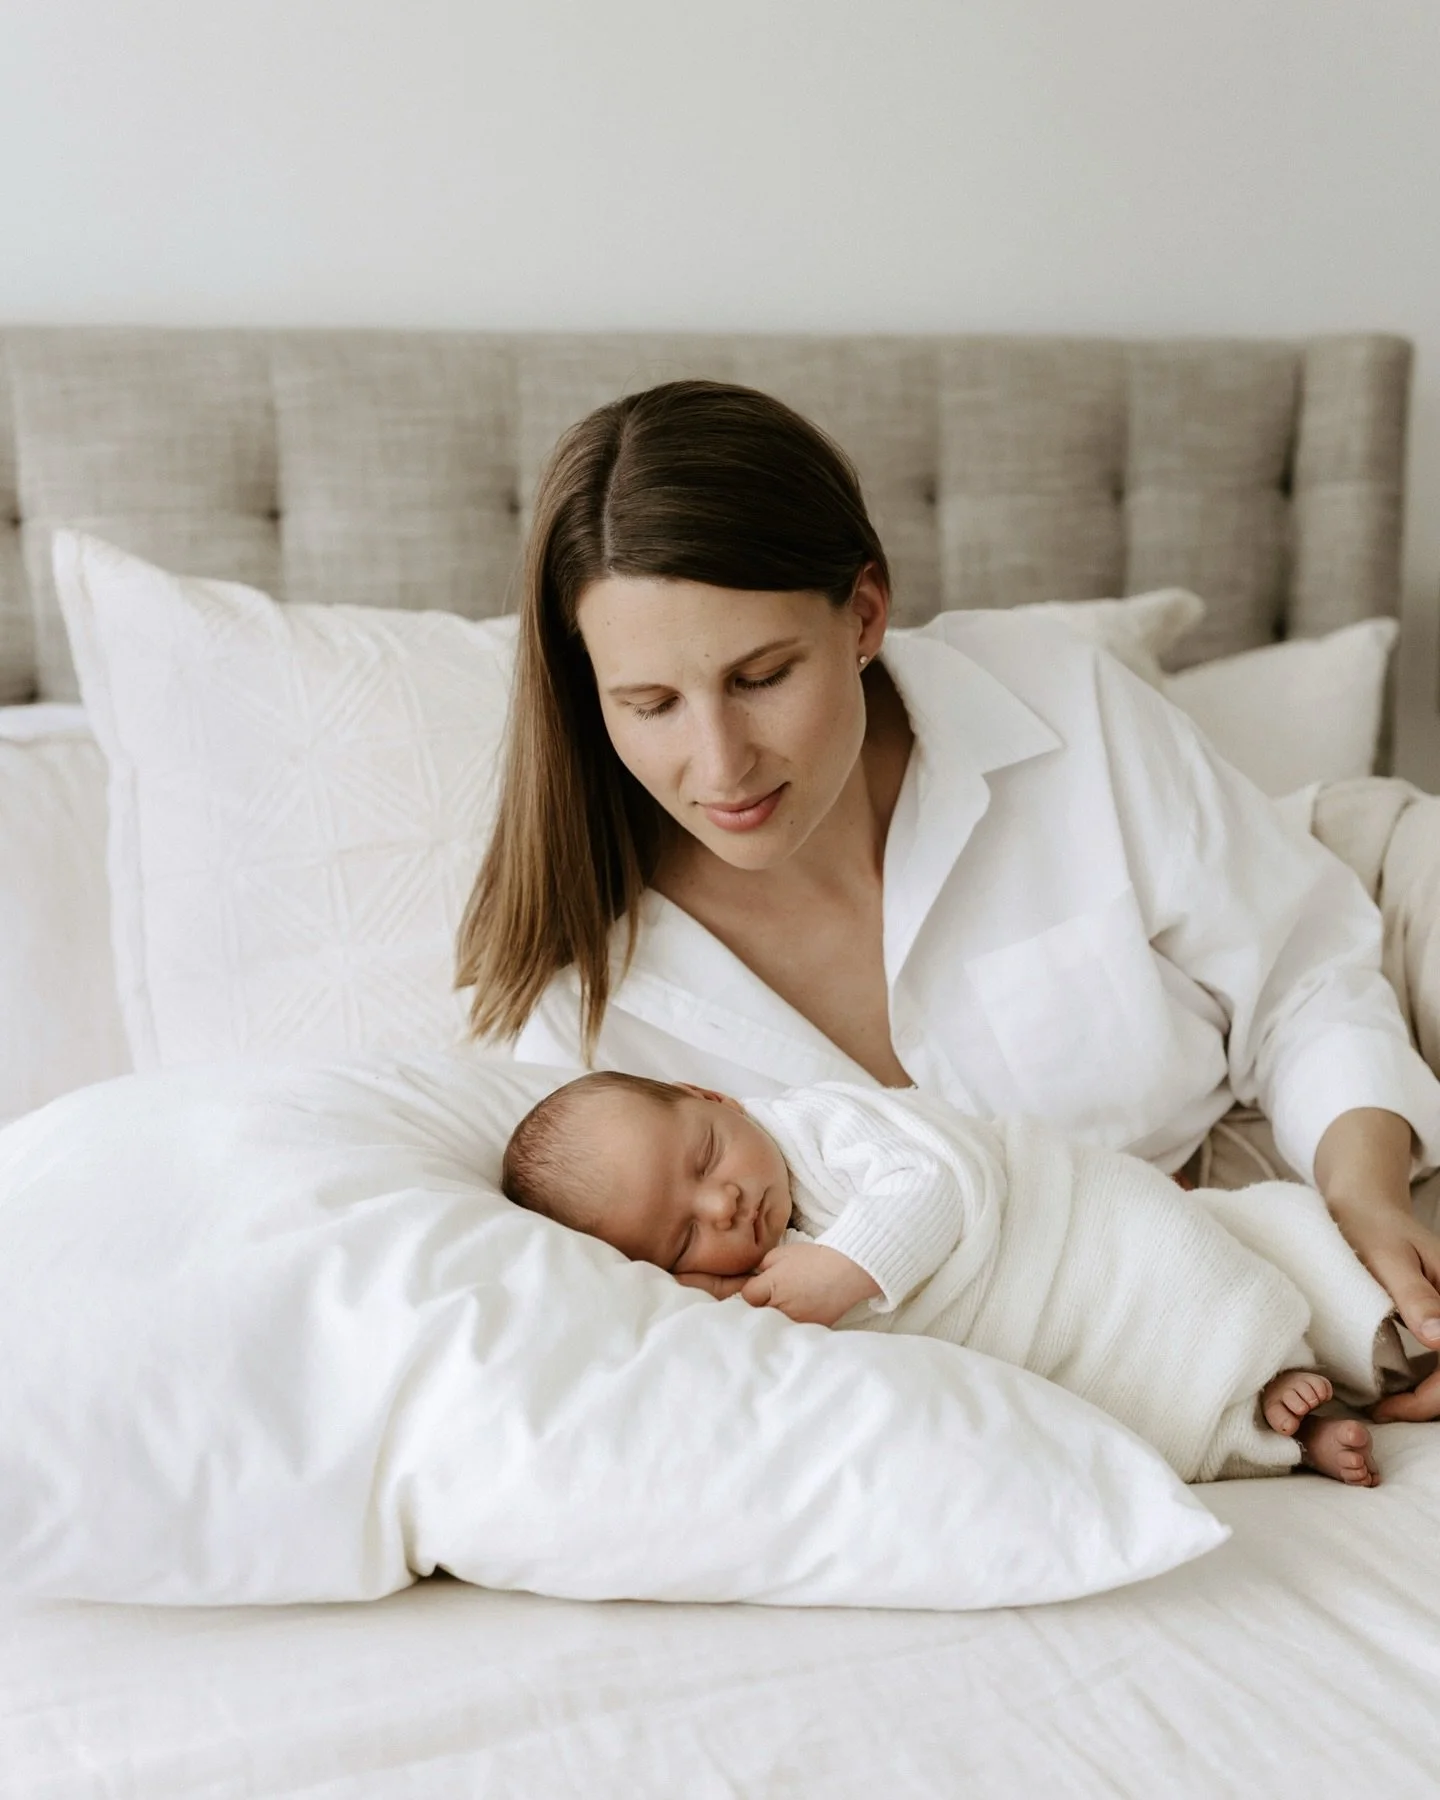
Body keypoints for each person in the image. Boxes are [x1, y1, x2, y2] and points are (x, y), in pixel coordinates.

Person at [457, 377, 1440, 1422]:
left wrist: (1364, 1204)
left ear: (865, 612)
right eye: (650, 704)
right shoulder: (574, 999)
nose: (720, 764)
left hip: (1275, 1205)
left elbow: (1302, 984)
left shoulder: (1058, 706)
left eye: (761, 677)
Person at [501, 1070, 1414, 1486]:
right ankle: (1274, 1427)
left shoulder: (822, 1126)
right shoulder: (746, 1291)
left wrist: (848, 1262)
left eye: (706, 1154)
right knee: (1120, 1403)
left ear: (715, 1099)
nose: (725, 1204)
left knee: (1181, 1274)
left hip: (1066, 1227)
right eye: (678, 1238)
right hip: (1042, 1337)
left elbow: (932, 1178)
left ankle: (1274, 1353)